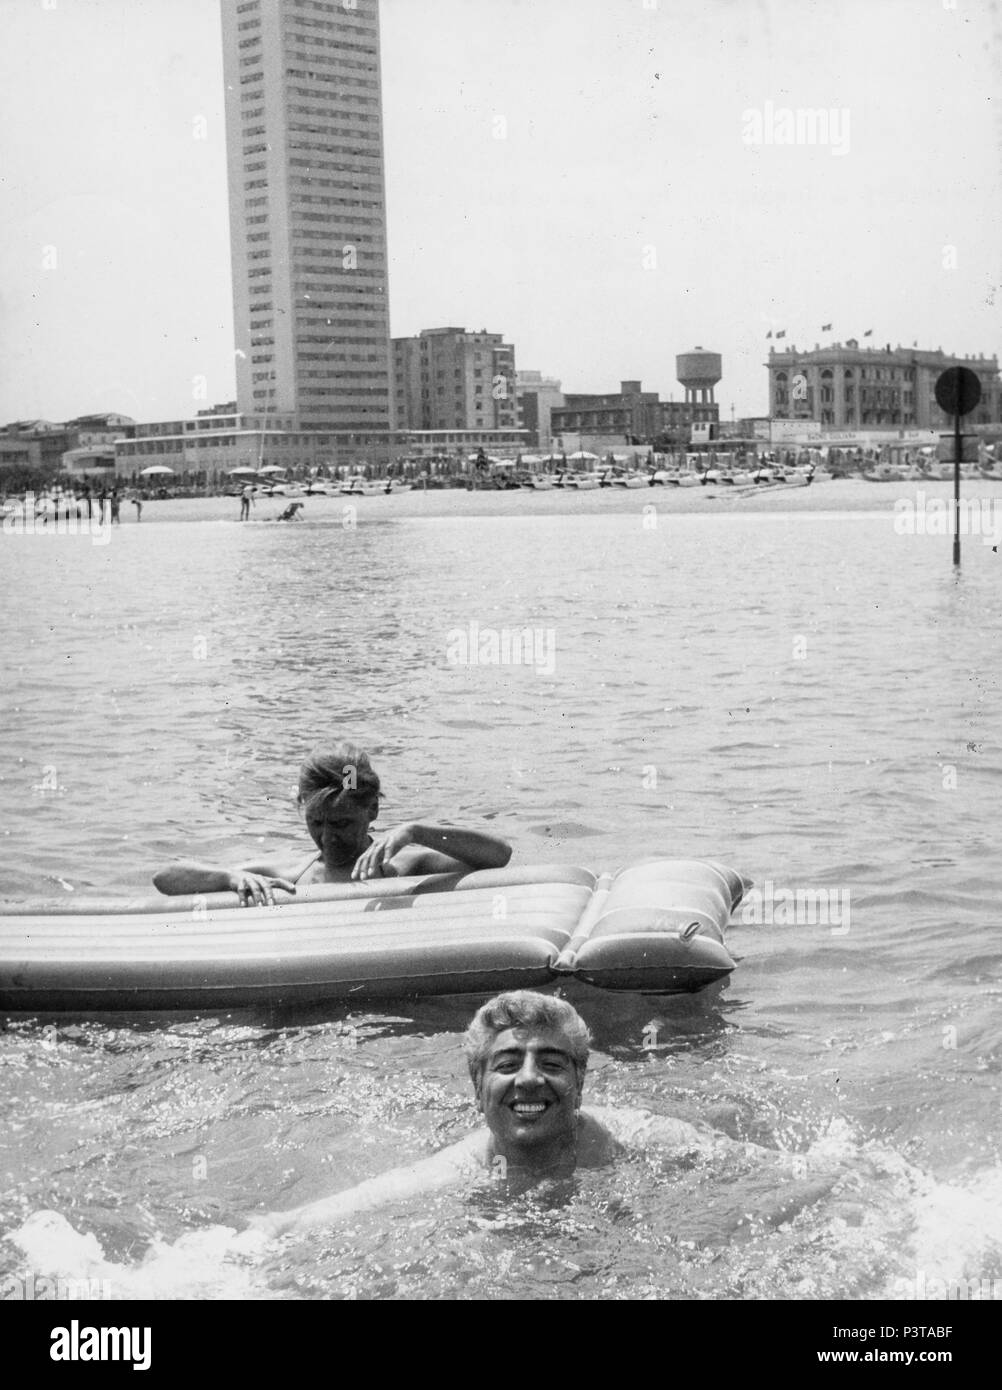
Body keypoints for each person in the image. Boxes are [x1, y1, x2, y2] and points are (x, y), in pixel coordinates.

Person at [246, 992, 822, 1239]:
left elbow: (777, 1171)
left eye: (551, 1062)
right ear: (477, 1087)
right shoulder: (455, 1171)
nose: (528, 1079)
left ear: (580, 1081)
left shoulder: (642, 1140)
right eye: (506, 1064)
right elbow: (325, 1214)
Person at [152, 742, 512, 904]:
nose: (327, 837)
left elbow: (499, 855)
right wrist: (228, 877)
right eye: (316, 822)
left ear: (372, 811)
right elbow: (165, 878)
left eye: (340, 823)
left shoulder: (405, 865)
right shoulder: (291, 873)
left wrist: (416, 831)